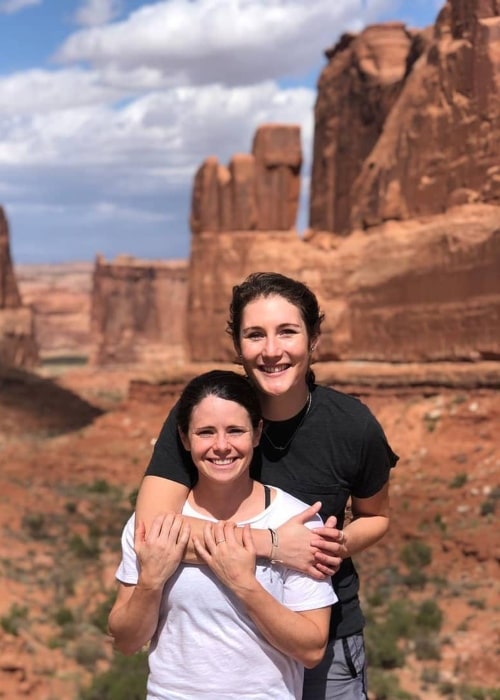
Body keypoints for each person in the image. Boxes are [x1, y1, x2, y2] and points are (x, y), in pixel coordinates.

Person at [136, 272, 399, 700]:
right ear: (237, 346)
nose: (272, 350)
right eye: (255, 334)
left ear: (314, 338)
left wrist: (326, 547)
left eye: (287, 332)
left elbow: (378, 517)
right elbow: (151, 531)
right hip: (219, 648)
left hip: (321, 639)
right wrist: (276, 544)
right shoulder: (211, 417)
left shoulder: (352, 425)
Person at [109, 370, 336, 699]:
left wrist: (245, 585)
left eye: (235, 431)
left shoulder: (295, 525)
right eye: (205, 432)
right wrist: (150, 584)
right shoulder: (156, 526)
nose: (221, 446)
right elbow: (126, 641)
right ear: (185, 439)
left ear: (257, 433)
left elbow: (312, 649)